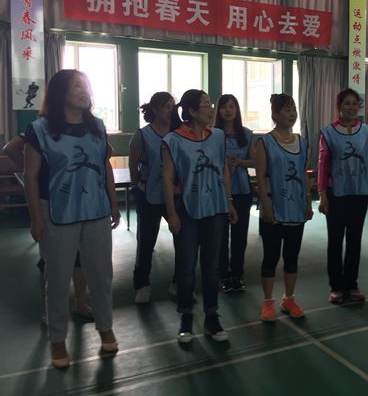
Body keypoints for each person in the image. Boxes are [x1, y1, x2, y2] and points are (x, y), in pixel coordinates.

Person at [23, 69, 120, 368]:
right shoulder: (39, 130)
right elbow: (31, 177)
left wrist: (114, 204)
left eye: (86, 85)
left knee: (101, 274)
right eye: (77, 86)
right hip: (57, 214)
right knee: (57, 277)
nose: (84, 90)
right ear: (60, 92)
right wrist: (36, 218)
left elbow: (105, 168)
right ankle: (57, 339)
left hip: (96, 211)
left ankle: (105, 327)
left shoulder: (98, 127)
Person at [162, 89, 238, 344]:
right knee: (186, 267)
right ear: (192, 111)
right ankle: (186, 317)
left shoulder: (217, 136)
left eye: (210, 103)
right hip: (187, 210)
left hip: (215, 208)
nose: (212, 109)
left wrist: (229, 201)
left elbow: (223, 169)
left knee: (212, 266)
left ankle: (211, 317)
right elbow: (167, 179)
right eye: (206, 104)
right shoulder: (173, 140)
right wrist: (172, 213)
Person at [4, 134, 94, 323]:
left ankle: (79, 303)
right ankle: (50, 309)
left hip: (77, 203)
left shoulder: (79, 130)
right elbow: (10, 148)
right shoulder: (39, 131)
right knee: (51, 260)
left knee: (80, 258)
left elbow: (105, 150)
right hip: (51, 205)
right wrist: (30, 167)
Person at [317, 88, 368, 304]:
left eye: (355, 103)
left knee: (355, 240)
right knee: (335, 241)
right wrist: (322, 194)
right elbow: (323, 164)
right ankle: (336, 287)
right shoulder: (328, 132)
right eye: (347, 103)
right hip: (336, 194)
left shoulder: (367, 131)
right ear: (339, 107)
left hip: (360, 193)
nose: (352, 107)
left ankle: (352, 285)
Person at [255, 94, 313, 322]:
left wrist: (308, 201)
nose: (292, 114)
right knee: (271, 257)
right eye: (287, 110)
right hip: (274, 208)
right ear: (275, 114)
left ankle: (289, 299)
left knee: (292, 256)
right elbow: (260, 177)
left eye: (294, 109)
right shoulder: (265, 142)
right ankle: (268, 302)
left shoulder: (302, 142)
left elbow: (304, 173)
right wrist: (266, 204)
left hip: (296, 208)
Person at [129, 92, 176, 304]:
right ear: (156, 109)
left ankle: (179, 282)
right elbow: (133, 164)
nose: (171, 111)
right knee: (147, 242)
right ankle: (142, 285)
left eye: (172, 106)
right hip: (149, 195)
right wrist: (137, 187)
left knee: (182, 239)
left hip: (173, 195)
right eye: (167, 106)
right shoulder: (142, 135)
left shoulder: (177, 133)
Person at [213, 94, 255, 293]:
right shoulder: (212, 134)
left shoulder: (246, 134)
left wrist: (239, 162)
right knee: (220, 236)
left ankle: (237, 274)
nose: (228, 110)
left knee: (239, 236)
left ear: (237, 110)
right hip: (219, 192)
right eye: (224, 107)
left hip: (242, 191)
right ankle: (222, 275)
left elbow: (255, 161)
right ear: (218, 111)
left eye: (231, 106)